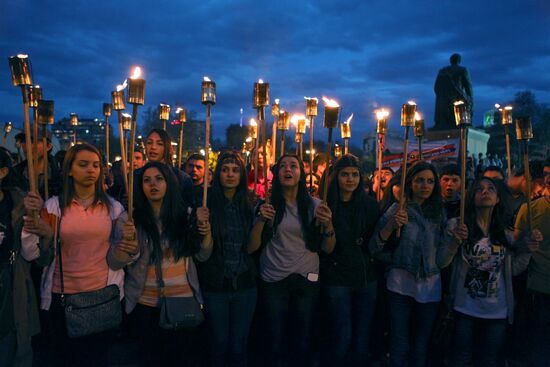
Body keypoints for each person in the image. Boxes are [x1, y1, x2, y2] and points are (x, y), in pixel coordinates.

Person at [20, 143, 135, 367]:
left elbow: (128, 254)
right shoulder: (53, 207)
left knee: (99, 358)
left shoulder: (113, 209)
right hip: (63, 297)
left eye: (96, 165)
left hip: (103, 296)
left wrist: (130, 241)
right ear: (69, 170)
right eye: (83, 165)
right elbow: (31, 252)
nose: (91, 170)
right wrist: (39, 227)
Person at [109, 161, 212, 367]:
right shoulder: (129, 220)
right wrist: (126, 244)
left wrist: (206, 230)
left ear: (169, 184)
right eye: (146, 180)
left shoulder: (186, 215)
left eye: (159, 179)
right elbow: (114, 262)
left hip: (182, 300)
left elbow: (203, 255)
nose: (152, 184)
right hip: (145, 303)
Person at [437, 177, 541, 367]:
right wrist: (455, 242)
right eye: (479, 189)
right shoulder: (457, 226)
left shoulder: (505, 234)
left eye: (490, 189)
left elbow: (514, 270)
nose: (485, 192)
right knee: (461, 359)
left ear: (498, 198)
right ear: (472, 197)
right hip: (464, 309)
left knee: (489, 360)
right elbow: (442, 262)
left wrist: (527, 250)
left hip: (496, 312)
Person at [248, 154, 335, 367]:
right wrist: (261, 220)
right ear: (276, 174)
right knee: (274, 337)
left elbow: (328, 248)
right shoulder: (267, 206)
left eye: (293, 166)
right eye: (283, 166)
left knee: (302, 337)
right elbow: (252, 246)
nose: (288, 170)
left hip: (307, 278)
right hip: (274, 279)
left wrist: (329, 225)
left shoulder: (315, 205)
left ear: (301, 173)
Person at [370, 161, 446, 367]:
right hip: (400, 285)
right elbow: (374, 247)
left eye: (430, 181)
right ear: (410, 183)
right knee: (399, 342)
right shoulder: (397, 209)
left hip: (430, 287)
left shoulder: (439, 213)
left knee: (420, 345)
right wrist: (391, 226)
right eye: (420, 180)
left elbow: (442, 255)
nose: (425, 185)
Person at [196, 152, 257, 367]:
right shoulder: (206, 204)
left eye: (235, 170)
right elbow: (201, 252)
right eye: (225, 169)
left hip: (244, 284)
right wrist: (201, 226)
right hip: (216, 284)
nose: (230, 174)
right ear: (217, 173)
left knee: (239, 345)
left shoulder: (250, 204)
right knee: (218, 343)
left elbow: (253, 247)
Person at [321, 155, 381, 366]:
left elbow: (376, 243)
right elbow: (324, 248)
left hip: (366, 278)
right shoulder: (326, 207)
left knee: (362, 335)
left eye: (355, 175)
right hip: (338, 279)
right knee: (342, 333)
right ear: (336, 177)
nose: (350, 179)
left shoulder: (371, 206)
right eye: (345, 174)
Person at [0, 148, 40, 367]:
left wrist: (31, 224)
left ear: (3, 172)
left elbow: (32, 253)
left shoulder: (16, 203)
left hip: (9, 288)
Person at [515, 159, 550, 367]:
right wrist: (525, 243)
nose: (548, 179)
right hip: (539, 288)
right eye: (546, 173)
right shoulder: (529, 209)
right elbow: (516, 248)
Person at [141, 129, 193, 205]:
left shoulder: (182, 179)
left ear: (168, 148)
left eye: (159, 143)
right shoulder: (136, 175)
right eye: (149, 143)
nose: (153, 147)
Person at [13, 129, 62, 199]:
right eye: (24, 141)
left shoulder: (59, 175)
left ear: (48, 146)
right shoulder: (14, 173)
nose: (28, 146)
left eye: (33, 141)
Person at [434, 53, 473, 130]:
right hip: (458, 100)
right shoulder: (462, 70)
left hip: (443, 103)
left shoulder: (442, 71)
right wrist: (470, 99)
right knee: (461, 121)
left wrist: (442, 97)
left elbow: (436, 87)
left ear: (450, 61)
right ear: (459, 61)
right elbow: (468, 86)